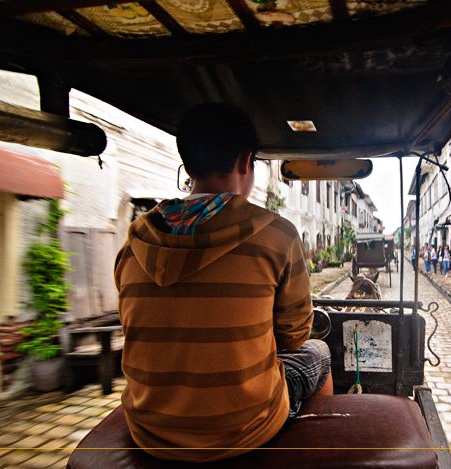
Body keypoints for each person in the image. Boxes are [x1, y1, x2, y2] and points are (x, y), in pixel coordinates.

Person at [115, 103, 332, 463]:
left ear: (187, 165)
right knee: (319, 353)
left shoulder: (134, 243)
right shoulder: (277, 235)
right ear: (246, 162)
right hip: (244, 428)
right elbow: (294, 336)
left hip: (150, 430)